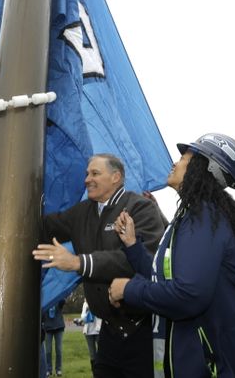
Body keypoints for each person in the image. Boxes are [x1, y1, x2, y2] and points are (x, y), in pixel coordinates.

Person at [109, 133, 235, 377]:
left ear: (204, 167)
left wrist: (128, 289)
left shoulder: (205, 217)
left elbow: (189, 295)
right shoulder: (190, 217)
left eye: (184, 157)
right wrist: (133, 245)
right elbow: (164, 282)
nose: (175, 162)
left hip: (228, 367)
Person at [33, 153, 167, 378]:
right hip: (109, 334)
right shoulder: (81, 212)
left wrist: (79, 262)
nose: (87, 179)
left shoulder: (141, 208)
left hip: (143, 333)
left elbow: (140, 261)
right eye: (87, 174)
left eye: (95, 173)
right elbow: (45, 227)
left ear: (116, 177)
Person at [42, 300, 65, 377]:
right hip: (48, 328)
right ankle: (48, 369)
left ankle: (58, 369)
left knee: (59, 350)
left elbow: (62, 302)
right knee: (48, 351)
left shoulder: (58, 298)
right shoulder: (46, 299)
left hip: (58, 327)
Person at [80, 299, 102, 377]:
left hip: (98, 331)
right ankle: (95, 374)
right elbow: (82, 317)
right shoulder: (85, 304)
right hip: (88, 332)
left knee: (101, 353)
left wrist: (94, 309)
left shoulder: (99, 301)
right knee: (92, 354)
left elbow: (102, 315)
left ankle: (102, 372)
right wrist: (87, 310)